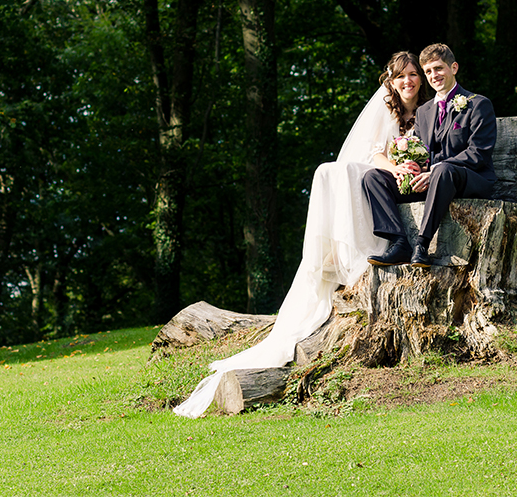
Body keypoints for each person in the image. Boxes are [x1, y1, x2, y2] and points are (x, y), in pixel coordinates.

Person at [173, 51, 432, 418]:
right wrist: (396, 165)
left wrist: (413, 166)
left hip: (417, 181)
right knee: (330, 171)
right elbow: (376, 153)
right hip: (390, 174)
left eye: (413, 75)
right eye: (400, 76)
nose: (408, 81)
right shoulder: (387, 111)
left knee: (340, 173)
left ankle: (367, 247)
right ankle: (341, 254)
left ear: (421, 78)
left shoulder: (428, 110)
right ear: (390, 81)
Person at [362, 43, 497, 268]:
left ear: (453, 68)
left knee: (443, 169)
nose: (434, 75)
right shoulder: (424, 112)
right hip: (435, 181)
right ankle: (398, 242)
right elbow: (425, 154)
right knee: (373, 177)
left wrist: (434, 169)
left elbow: (478, 154)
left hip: (472, 179)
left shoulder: (478, 104)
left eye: (439, 68)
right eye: (428, 71)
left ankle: (422, 244)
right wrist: (416, 169)